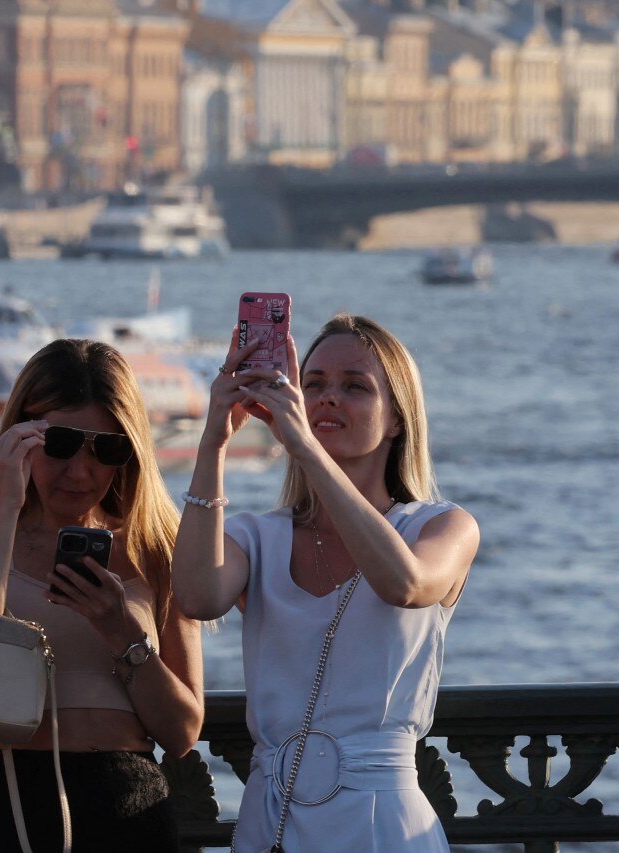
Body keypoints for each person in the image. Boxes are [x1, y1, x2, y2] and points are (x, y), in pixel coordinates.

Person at [171, 314, 480, 852]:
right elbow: (198, 598)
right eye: (312, 385)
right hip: (273, 819)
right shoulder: (255, 536)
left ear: (397, 420)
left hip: (383, 822)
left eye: (354, 387)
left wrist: (306, 450)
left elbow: (403, 583)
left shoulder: (441, 526)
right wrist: (213, 441)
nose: (327, 399)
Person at [0, 339, 204, 853]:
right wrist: (8, 505)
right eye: (60, 443)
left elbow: (182, 731)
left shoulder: (155, 550)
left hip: (131, 801)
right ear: (19, 435)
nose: (80, 471)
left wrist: (121, 632)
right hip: (15, 796)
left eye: (107, 448)